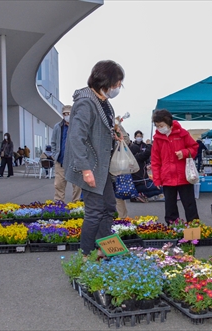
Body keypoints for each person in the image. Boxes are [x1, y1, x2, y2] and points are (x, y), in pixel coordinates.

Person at [63, 59, 124, 256]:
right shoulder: (86, 103)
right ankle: (86, 255)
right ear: (105, 82)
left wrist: (113, 134)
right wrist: (85, 168)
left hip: (101, 166)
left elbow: (98, 129)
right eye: (117, 83)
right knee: (95, 212)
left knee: (108, 208)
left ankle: (103, 250)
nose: (118, 87)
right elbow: (76, 137)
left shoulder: (104, 102)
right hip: (91, 166)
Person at [151, 109, 200, 225]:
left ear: (168, 122)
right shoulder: (157, 139)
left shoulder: (182, 133)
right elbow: (155, 160)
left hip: (184, 176)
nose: (160, 128)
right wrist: (157, 179)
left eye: (161, 125)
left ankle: (195, 229)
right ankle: (173, 230)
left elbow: (194, 148)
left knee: (189, 205)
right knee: (170, 207)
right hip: (167, 177)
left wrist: (183, 153)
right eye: (157, 126)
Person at [51, 105, 82, 202]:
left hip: (75, 162)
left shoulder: (79, 126)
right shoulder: (58, 127)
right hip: (61, 161)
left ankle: (76, 206)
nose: (67, 115)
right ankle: (59, 207)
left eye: (69, 113)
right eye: (65, 114)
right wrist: (54, 155)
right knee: (59, 185)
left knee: (77, 186)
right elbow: (53, 142)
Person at [129, 130, 163, 202]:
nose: (139, 138)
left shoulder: (132, 158)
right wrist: (149, 144)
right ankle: (140, 194)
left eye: (140, 136)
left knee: (155, 187)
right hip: (140, 182)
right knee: (161, 188)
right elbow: (146, 153)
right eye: (137, 136)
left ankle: (140, 194)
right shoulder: (137, 157)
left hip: (140, 182)